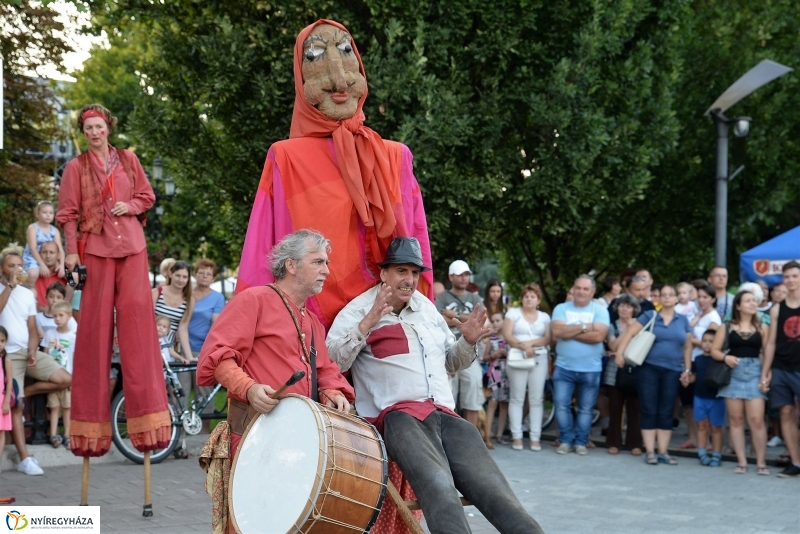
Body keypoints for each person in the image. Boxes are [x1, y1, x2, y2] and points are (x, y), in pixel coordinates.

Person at [327, 237, 543, 534]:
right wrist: (366, 325)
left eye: (415, 273)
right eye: (401, 271)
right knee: (440, 489)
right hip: (398, 417)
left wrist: (467, 341)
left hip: (444, 413)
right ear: (384, 274)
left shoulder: (427, 309)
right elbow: (331, 364)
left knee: (497, 493)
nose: (409, 279)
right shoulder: (359, 310)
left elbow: (450, 363)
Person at [235, 20, 433, 330]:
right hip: (311, 330)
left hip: (389, 324)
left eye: (345, 50)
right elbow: (264, 249)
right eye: (314, 54)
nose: (339, 79)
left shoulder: (396, 156)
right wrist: (257, 330)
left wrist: (424, 319)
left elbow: (415, 241)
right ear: (301, 78)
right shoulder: (286, 157)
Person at [197, 230, 354, 534]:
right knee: (255, 524)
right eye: (318, 262)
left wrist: (333, 390)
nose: (326, 270)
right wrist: (249, 387)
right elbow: (217, 358)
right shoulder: (254, 299)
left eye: (326, 262)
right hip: (255, 436)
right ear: (292, 265)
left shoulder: (311, 320)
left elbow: (325, 369)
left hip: (299, 443)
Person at [56, 103, 170, 456]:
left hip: (133, 248)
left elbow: (147, 196)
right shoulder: (75, 168)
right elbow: (68, 214)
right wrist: (72, 254)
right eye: (88, 127)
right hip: (97, 251)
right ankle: (90, 432)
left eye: (99, 126)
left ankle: (150, 429)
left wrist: (131, 206)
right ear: (83, 132)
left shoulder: (128, 160)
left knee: (139, 330)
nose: (94, 132)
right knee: (94, 333)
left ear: (108, 128)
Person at [0, 245, 72, 475]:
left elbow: (32, 328)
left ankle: (21, 393)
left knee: (66, 378)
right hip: (7, 355)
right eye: (11, 266)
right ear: (2, 268)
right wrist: (10, 285)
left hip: (26, 351)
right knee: (17, 406)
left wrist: (33, 350)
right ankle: (24, 459)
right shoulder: (6, 289)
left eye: (19, 265)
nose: (16, 269)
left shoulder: (26, 293)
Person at [615, 285, 692, 466]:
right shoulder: (650, 316)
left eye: (670, 295)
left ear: (676, 299)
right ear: (658, 299)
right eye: (663, 295)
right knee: (649, 408)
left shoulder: (683, 320)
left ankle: (663, 452)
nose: (666, 298)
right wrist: (619, 353)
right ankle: (650, 451)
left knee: (666, 410)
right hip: (648, 368)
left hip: (673, 370)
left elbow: (687, 346)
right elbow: (630, 332)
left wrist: (687, 370)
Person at [712, 290, 770, 475]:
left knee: (757, 420)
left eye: (754, 301)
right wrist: (725, 358)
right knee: (736, 420)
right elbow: (714, 350)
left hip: (755, 371)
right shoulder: (726, 326)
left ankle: (761, 462)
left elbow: (768, 353)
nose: (753, 303)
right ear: (738, 306)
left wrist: (766, 375)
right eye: (748, 301)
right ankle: (742, 461)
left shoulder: (763, 327)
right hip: (733, 372)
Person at [551, 275, 610, 455]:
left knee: (586, 408)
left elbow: (599, 337)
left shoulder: (600, 310)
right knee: (561, 405)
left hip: (590, 368)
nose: (581, 292)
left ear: (592, 292)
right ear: (573, 289)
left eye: (585, 289)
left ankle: (581, 442)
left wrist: (570, 331)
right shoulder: (561, 308)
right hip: (564, 366)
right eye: (578, 288)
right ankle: (566, 440)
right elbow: (557, 331)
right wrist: (586, 327)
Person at [761, 260, 800, 477]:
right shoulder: (777, 308)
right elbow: (771, 343)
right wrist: (766, 371)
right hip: (781, 368)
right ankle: (796, 462)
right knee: (785, 412)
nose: (791, 280)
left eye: (795, 276)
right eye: (787, 277)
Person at [502, 283, 551, 451]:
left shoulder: (544, 317)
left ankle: (535, 437)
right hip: (517, 358)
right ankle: (517, 436)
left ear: (538, 300)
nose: (529, 299)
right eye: (526, 296)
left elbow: (546, 338)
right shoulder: (513, 313)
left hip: (539, 358)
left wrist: (530, 344)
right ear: (522, 298)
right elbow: (507, 335)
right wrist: (524, 347)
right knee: (517, 398)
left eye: (533, 296)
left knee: (537, 399)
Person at [436, 260, 484, 429]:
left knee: (473, 397)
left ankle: (473, 440)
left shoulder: (475, 298)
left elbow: (479, 323)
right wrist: (466, 319)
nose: (464, 278)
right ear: (451, 276)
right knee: (448, 400)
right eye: (460, 274)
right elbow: (437, 320)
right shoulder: (442, 297)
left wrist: (454, 315)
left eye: (466, 274)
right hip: (446, 351)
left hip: (470, 352)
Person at [682, 284, 722, 449]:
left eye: (705, 297)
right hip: (691, 360)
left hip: (704, 363)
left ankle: (709, 440)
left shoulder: (713, 318)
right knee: (688, 401)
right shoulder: (698, 314)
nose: (701, 300)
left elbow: (712, 343)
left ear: (713, 299)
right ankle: (693, 437)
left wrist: (690, 340)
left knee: (703, 400)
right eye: (699, 296)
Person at [189, 259, 226, 430]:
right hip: (183, 350)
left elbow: (215, 326)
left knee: (204, 391)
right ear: (195, 274)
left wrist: (208, 351)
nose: (204, 276)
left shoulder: (217, 298)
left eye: (208, 274)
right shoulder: (187, 293)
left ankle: (203, 432)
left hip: (203, 350)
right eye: (201, 272)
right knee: (178, 392)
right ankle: (180, 431)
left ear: (213, 278)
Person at [604, 294, 643, 456]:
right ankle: (614, 443)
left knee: (635, 409)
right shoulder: (612, 326)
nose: (624, 309)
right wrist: (628, 331)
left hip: (635, 370)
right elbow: (612, 346)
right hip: (614, 371)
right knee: (615, 408)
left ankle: (634, 443)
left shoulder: (641, 326)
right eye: (621, 306)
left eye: (628, 306)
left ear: (634, 309)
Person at [42, 301, 75, 449]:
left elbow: (75, 358)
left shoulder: (73, 337)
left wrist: (73, 380)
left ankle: (67, 434)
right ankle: (53, 434)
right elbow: (45, 354)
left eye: (61, 315)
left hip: (67, 378)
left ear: (69, 316)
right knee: (54, 407)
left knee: (67, 408)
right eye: (55, 316)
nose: (57, 319)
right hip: (53, 377)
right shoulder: (49, 334)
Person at [692, 329, 725, 467]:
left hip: (717, 398)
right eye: (704, 341)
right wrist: (686, 378)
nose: (707, 344)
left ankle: (717, 453)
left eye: (711, 342)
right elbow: (694, 376)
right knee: (701, 425)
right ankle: (702, 452)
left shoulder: (720, 360)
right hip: (699, 397)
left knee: (716, 427)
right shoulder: (698, 359)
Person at [22, 201, 64, 289]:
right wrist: (42, 265)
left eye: (51, 213)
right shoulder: (33, 228)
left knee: (71, 276)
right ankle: (28, 292)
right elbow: (33, 249)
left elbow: (60, 249)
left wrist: (62, 265)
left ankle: (68, 299)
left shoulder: (54, 230)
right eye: (45, 212)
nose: (48, 215)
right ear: (37, 214)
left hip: (49, 257)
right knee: (33, 273)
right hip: (33, 258)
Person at [484, 311, 510, 445]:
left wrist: (507, 353)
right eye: (493, 321)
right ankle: (487, 434)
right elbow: (484, 357)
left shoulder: (509, 338)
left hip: (507, 372)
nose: (495, 323)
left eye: (498, 320)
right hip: (495, 372)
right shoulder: (491, 339)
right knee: (493, 401)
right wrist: (492, 356)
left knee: (504, 403)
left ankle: (499, 434)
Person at [32, 241, 72, 312]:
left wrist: (63, 269)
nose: (48, 256)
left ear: (58, 255)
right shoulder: (33, 274)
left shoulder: (63, 274)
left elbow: (75, 281)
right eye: (44, 252)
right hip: (37, 316)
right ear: (39, 254)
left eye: (52, 252)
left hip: (60, 317)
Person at [0, 327, 13, 465]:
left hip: (1, 400)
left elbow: (9, 383)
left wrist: (6, 402)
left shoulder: (6, 361)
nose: (0, 344)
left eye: (2, 341)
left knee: (0, 432)